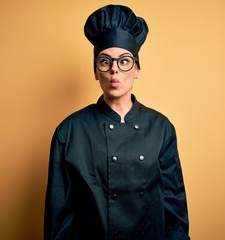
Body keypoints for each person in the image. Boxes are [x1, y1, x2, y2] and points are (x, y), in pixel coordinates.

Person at [44, 4, 190, 240]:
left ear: (137, 69)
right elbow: (59, 216)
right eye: (105, 61)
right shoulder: (69, 131)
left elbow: (174, 209)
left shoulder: (161, 128)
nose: (114, 71)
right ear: (95, 71)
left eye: (124, 61)